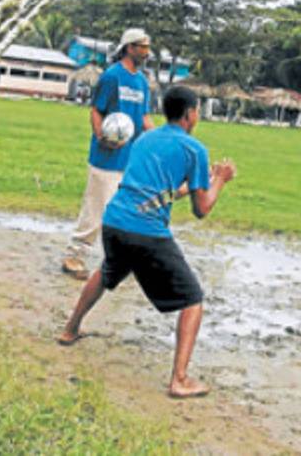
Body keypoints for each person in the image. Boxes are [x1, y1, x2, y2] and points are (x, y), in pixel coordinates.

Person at [58, 86, 237, 398]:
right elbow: (202, 209)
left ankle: (70, 329)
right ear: (190, 113)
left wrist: (199, 182)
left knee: (107, 271)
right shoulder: (195, 150)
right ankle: (179, 379)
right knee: (193, 300)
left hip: (114, 220)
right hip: (145, 231)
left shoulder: (145, 139)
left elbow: (156, 192)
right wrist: (220, 179)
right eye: (197, 110)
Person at [60, 28, 155, 279]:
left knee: (127, 211)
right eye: (143, 46)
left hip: (130, 159)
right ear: (129, 47)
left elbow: (144, 117)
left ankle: (121, 260)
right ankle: (74, 256)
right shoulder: (112, 77)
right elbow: (96, 111)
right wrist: (103, 137)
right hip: (106, 157)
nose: (147, 52)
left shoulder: (142, 82)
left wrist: (157, 139)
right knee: (96, 208)